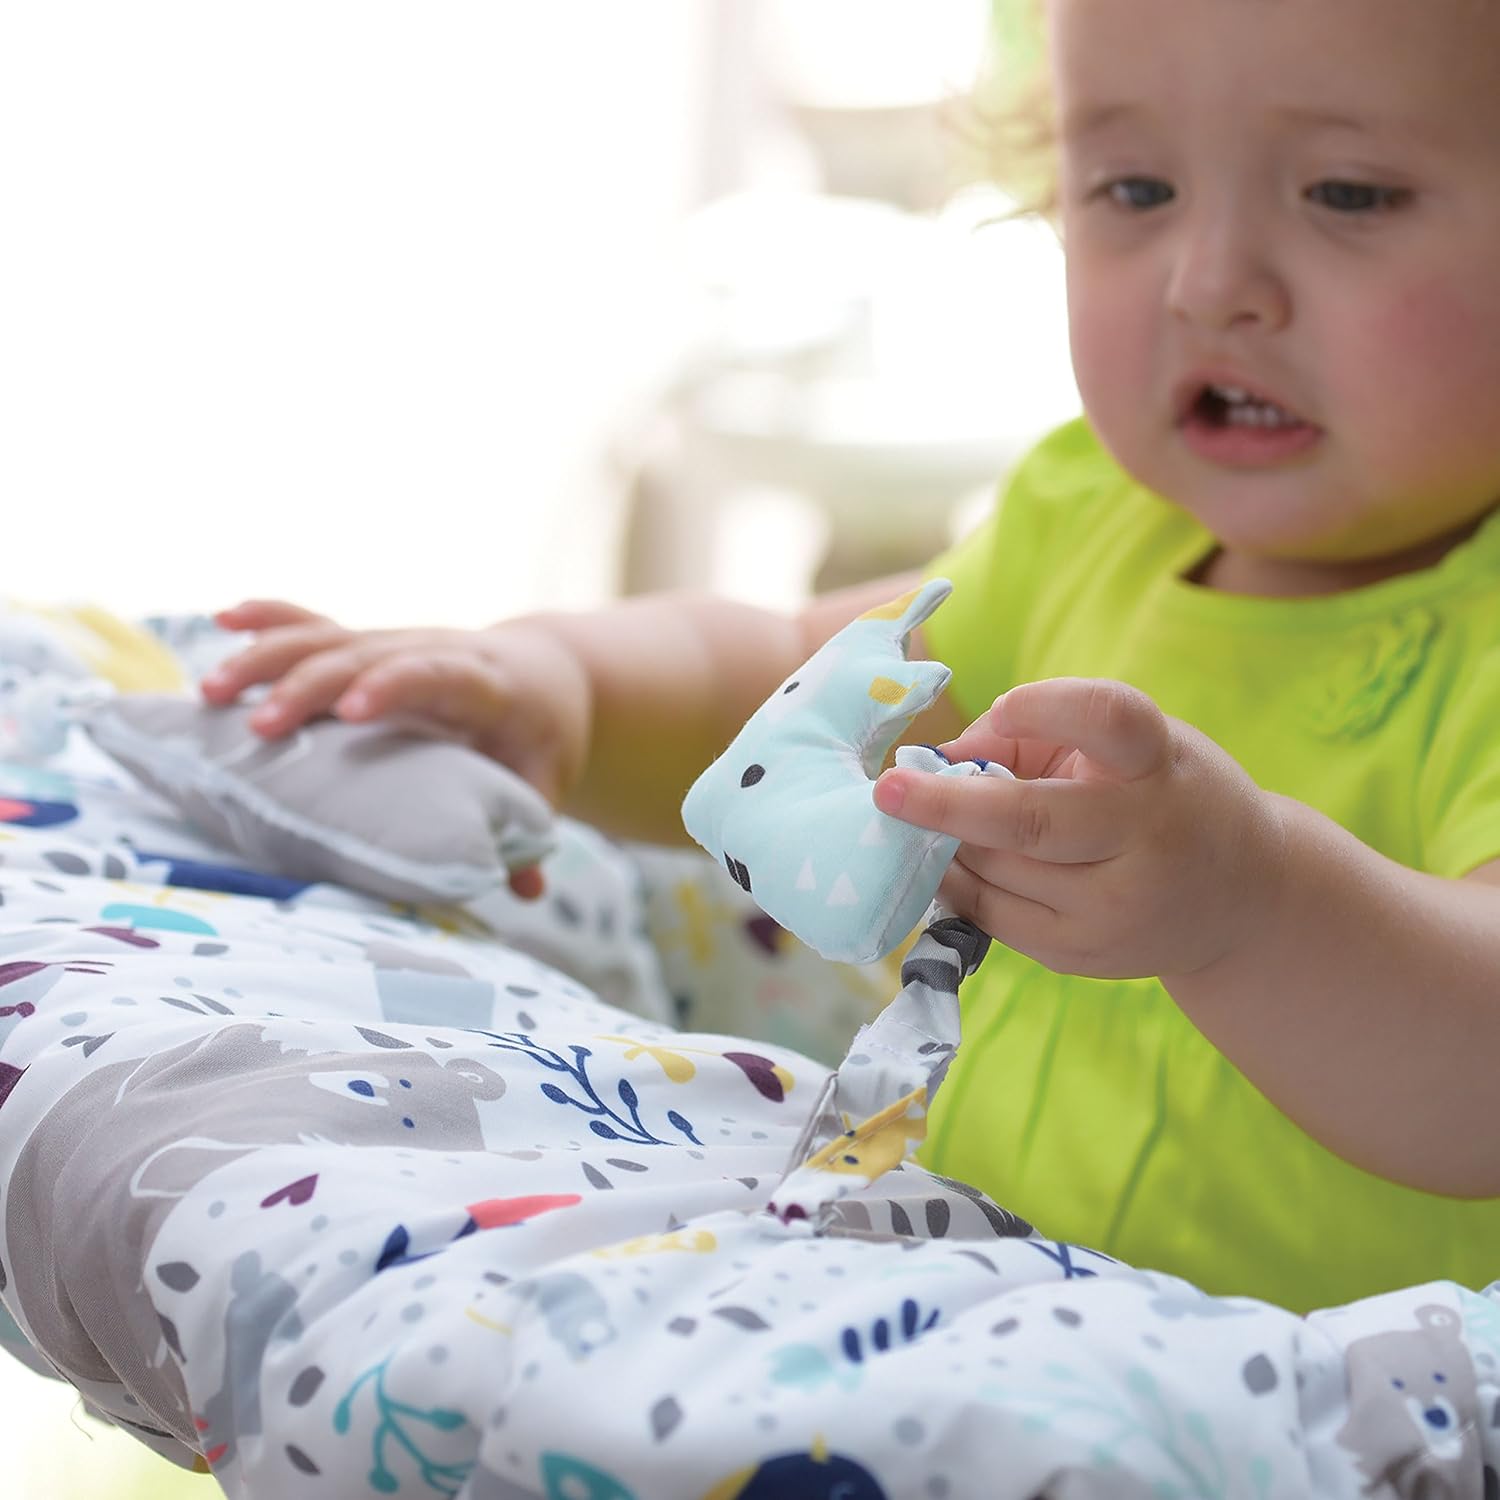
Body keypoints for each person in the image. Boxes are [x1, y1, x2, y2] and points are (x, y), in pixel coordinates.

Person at [201, 0, 1500, 1313]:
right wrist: (564, 689)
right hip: (984, 1328)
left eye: (1351, 190)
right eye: (1136, 186)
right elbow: (783, 675)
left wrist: (1253, 902)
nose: (1207, 282)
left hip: (1335, 1412)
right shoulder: (1089, 518)